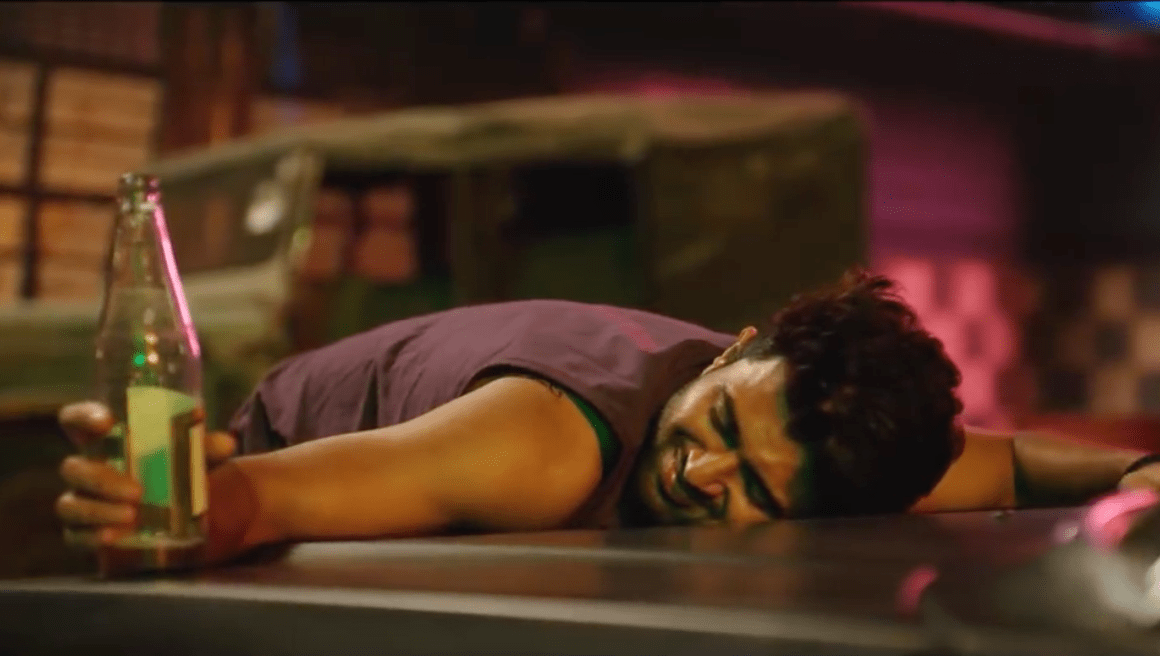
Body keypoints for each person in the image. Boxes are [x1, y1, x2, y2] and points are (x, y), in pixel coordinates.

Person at [55, 270, 1160, 566]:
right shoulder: (541, 445)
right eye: (719, 426)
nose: (700, 474)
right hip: (284, 443)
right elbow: (268, 498)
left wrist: (1136, 474)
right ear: (733, 350)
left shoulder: (830, 445)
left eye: (752, 490)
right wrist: (179, 506)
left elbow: (1013, 461)